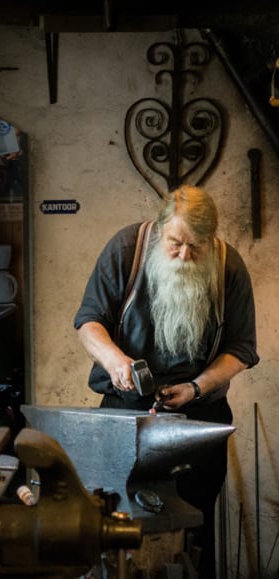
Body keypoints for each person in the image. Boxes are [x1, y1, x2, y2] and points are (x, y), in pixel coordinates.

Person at [73, 185, 259, 578]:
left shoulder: (230, 266)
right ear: (159, 232)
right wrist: (115, 360)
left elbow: (241, 349)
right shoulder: (126, 249)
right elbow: (89, 323)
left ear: (212, 239)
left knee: (193, 529)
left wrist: (197, 387)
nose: (185, 256)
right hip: (126, 414)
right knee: (116, 527)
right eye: (176, 243)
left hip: (198, 416)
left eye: (197, 246)